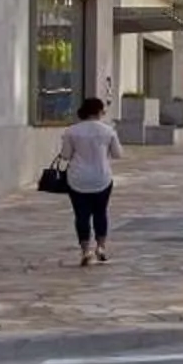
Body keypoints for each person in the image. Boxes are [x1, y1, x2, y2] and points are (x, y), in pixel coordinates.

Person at [58, 97, 122, 266]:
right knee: (101, 212)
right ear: (100, 111)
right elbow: (117, 154)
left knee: (81, 215)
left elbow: (65, 155)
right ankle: (101, 247)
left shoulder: (72, 131)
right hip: (102, 177)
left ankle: (85, 250)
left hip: (77, 178)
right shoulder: (108, 131)